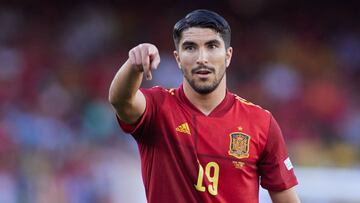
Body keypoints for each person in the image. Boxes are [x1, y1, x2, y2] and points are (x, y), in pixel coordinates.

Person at [109, 9, 300, 203]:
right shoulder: (158, 107)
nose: (202, 58)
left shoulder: (261, 122)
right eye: (190, 47)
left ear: (228, 56)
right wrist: (134, 66)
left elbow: (286, 198)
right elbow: (121, 100)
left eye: (212, 46)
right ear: (177, 58)